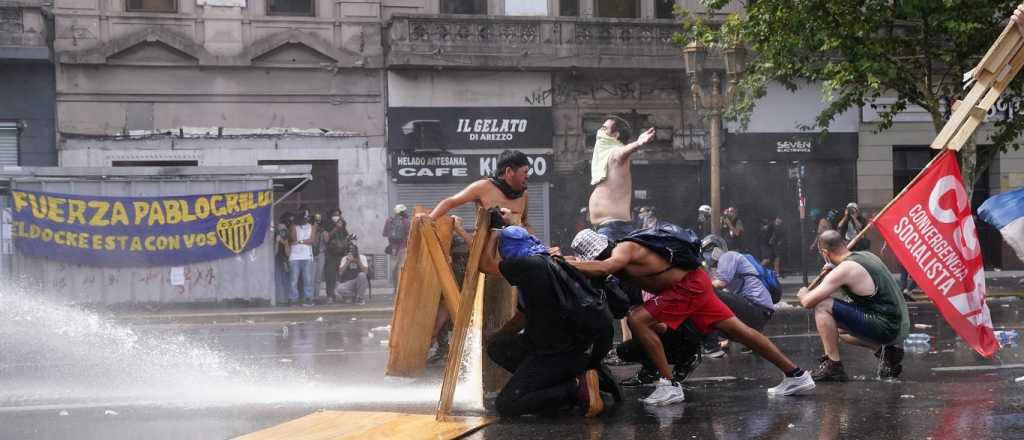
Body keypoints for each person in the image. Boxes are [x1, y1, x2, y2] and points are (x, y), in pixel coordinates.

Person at [568, 227, 814, 405]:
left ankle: (669, 385)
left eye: (599, 255)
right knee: (740, 332)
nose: (600, 259)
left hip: (686, 288)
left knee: (638, 319)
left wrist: (566, 264)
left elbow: (605, 268)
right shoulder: (615, 256)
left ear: (605, 246)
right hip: (694, 284)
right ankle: (796, 375)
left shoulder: (624, 249)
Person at [477, 225, 614, 417]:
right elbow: (521, 318)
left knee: (507, 405)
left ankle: (575, 389)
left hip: (555, 351)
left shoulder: (525, 265)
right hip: (574, 345)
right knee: (499, 347)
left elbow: (484, 264)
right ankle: (559, 384)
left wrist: (493, 233)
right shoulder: (551, 261)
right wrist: (495, 336)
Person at [422, 150, 534, 363]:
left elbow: (525, 223)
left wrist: (538, 245)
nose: (528, 176)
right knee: (471, 309)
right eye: (524, 171)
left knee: (509, 314)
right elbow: (450, 202)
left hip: (513, 261)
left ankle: (500, 363)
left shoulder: (524, 194)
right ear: (509, 171)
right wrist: (428, 221)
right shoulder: (483, 187)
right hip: (483, 259)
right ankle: (448, 348)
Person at [797, 230, 910, 381]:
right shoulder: (867, 256)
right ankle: (886, 351)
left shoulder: (845, 269)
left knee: (822, 305)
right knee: (838, 330)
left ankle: (833, 366)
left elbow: (808, 302)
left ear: (824, 252)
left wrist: (803, 292)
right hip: (899, 325)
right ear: (843, 244)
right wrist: (834, 270)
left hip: (888, 327)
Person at [586, 117, 656, 351]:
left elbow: (622, 153)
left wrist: (638, 143)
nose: (599, 131)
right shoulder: (607, 158)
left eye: (604, 128)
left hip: (613, 228)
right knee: (620, 291)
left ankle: (628, 342)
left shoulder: (615, 154)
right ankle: (630, 343)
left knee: (611, 289)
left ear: (615, 136)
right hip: (608, 228)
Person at [700, 235, 776, 358]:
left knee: (708, 294)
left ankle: (711, 345)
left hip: (757, 308)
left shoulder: (728, 256)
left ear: (718, 249)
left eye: (710, 250)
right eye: (705, 252)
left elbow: (719, 285)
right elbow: (728, 302)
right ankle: (753, 340)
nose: (707, 255)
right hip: (758, 312)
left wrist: (697, 285)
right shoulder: (723, 266)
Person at [288, 210, 318, 306]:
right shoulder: (294, 226)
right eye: (304, 217)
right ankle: (294, 299)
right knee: (294, 279)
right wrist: (295, 225)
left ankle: (308, 298)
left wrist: (301, 242)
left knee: (307, 279)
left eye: (307, 217)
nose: (306, 219)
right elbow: (294, 238)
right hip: (294, 256)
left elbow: (312, 240)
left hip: (307, 256)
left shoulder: (312, 226)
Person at [323, 208, 351, 304]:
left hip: (342, 254)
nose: (337, 216)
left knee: (344, 275)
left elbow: (347, 238)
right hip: (331, 255)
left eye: (338, 214)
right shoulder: (327, 225)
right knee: (330, 276)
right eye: (335, 214)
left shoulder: (343, 226)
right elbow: (326, 239)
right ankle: (330, 296)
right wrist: (336, 228)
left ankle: (345, 295)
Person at [383, 204, 410, 286]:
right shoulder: (406, 221)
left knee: (394, 269)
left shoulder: (389, 220)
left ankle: (395, 288)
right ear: (403, 211)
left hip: (393, 249)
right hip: (403, 247)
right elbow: (409, 234)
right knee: (401, 268)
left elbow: (384, 234)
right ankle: (400, 289)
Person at [274, 212, 294, 305]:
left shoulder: (288, 237)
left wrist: (285, 243)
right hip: (277, 260)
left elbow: (288, 253)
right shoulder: (275, 236)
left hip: (286, 260)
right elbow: (274, 252)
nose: (282, 231)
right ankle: (280, 299)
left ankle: (287, 299)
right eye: (280, 229)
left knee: (287, 280)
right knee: (278, 280)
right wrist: (277, 242)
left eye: (284, 229)